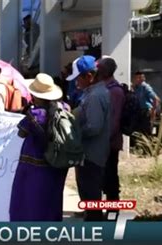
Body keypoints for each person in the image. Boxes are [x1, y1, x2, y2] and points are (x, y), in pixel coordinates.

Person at [10, 73, 68, 221]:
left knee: (29, 200)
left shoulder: (34, 114)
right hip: (56, 164)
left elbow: (21, 134)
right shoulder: (64, 108)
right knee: (52, 199)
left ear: (34, 95)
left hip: (33, 165)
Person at [68, 55, 111, 221]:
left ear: (89, 76)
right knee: (90, 199)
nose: (76, 82)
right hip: (91, 154)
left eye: (78, 78)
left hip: (91, 155)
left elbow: (94, 126)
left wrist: (74, 132)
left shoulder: (94, 96)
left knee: (91, 198)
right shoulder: (93, 93)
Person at [97, 56, 125, 215]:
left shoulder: (115, 91)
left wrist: (104, 141)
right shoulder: (106, 88)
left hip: (109, 143)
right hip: (104, 142)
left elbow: (114, 120)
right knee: (101, 178)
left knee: (110, 179)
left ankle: (113, 212)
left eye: (99, 68)